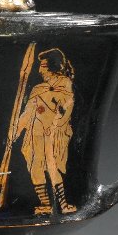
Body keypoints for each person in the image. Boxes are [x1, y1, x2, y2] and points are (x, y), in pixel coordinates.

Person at [14, 48, 76, 214]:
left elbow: (66, 108)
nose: (40, 70)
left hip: (53, 133)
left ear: (53, 66)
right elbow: (27, 112)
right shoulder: (38, 89)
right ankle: (46, 205)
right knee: (35, 168)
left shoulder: (65, 84)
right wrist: (16, 130)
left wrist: (56, 124)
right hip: (36, 133)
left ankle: (63, 205)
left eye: (43, 66)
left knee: (52, 166)